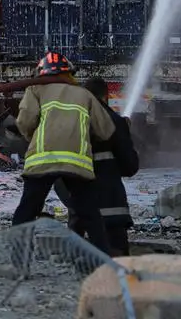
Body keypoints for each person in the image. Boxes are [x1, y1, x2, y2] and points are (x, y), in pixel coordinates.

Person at [13, 52, 115, 255]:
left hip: (42, 158)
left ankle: (17, 262)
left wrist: (32, 136)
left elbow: (25, 122)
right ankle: (104, 260)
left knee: (27, 211)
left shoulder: (35, 89)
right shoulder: (84, 95)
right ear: (70, 73)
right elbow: (106, 130)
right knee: (90, 214)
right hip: (76, 162)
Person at [55, 79, 140, 256]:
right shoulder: (116, 122)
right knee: (117, 264)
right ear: (106, 96)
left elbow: (59, 172)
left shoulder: (69, 123)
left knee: (81, 268)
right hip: (112, 212)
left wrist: (71, 201)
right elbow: (130, 167)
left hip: (80, 215)